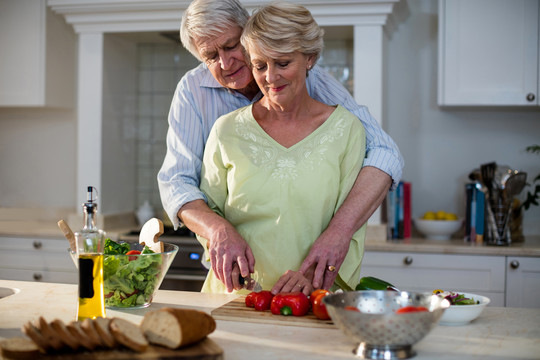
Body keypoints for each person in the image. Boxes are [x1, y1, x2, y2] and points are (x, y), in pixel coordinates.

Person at [158, 0, 404, 293]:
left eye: (231, 46)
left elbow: (384, 151)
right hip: (237, 289)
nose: (226, 63)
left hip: (312, 290)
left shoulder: (327, 100)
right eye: (210, 56)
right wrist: (218, 230)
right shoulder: (202, 104)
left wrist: (339, 234)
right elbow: (178, 183)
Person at [197, 1, 366, 294]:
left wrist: (312, 278)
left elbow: (349, 228)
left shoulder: (346, 130)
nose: (270, 78)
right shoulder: (227, 130)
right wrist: (223, 249)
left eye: (283, 63)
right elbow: (210, 215)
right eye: (260, 65)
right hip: (234, 297)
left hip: (312, 298)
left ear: (310, 58)